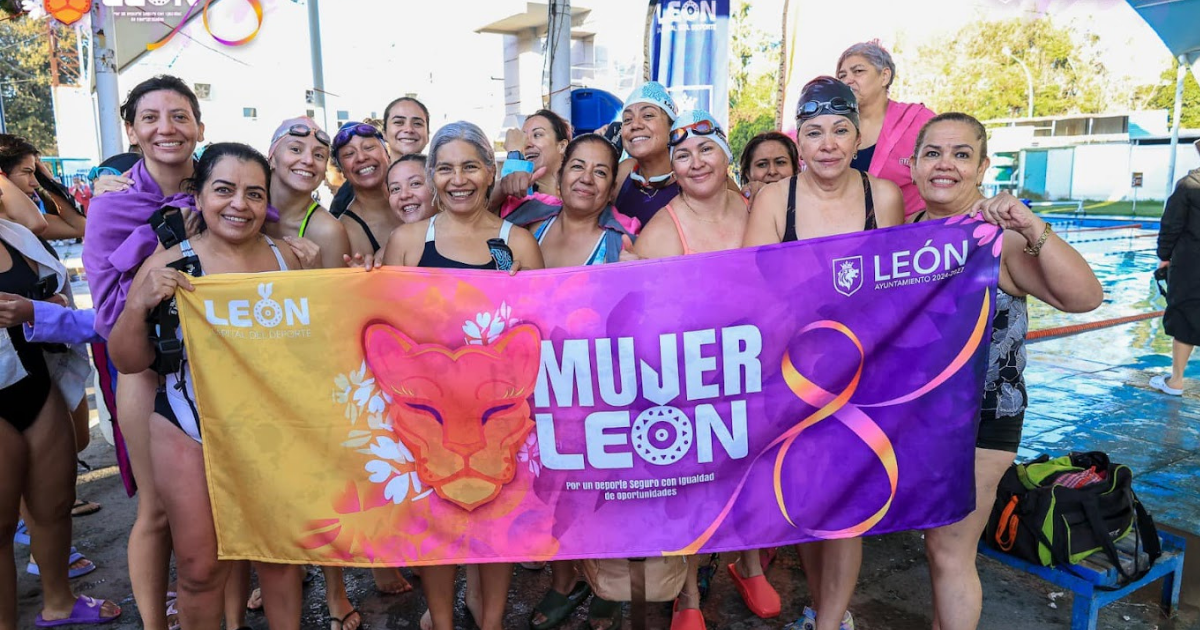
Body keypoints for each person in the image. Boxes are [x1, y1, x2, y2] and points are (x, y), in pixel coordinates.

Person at [907, 112, 1101, 630]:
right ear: (914, 164)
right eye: (933, 153)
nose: (945, 164)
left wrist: (1033, 227)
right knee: (935, 545)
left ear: (982, 166)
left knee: (951, 549)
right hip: (919, 417)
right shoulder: (905, 237)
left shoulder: (1001, 238)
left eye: (961, 154)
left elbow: (1085, 298)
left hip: (982, 418)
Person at [109, 143, 312, 630]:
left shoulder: (290, 260)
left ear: (267, 204)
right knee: (200, 570)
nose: (239, 204)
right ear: (197, 196)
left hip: (274, 429)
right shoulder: (170, 262)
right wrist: (139, 304)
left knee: (281, 563)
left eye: (254, 194)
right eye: (224, 190)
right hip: (187, 420)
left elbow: (321, 344)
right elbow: (127, 358)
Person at [745, 77, 905, 630]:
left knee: (848, 509)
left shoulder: (881, 196)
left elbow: (898, 292)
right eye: (814, 132)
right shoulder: (774, 198)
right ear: (800, 140)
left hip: (864, 376)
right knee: (806, 505)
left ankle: (832, 621)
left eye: (840, 130)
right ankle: (824, 609)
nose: (828, 144)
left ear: (858, 136)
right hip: (796, 378)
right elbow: (748, 290)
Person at [383, 121, 543, 630]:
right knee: (437, 526)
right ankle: (443, 621)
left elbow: (539, 332)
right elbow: (385, 325)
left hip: (497, 418)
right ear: (430, 176)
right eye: (445, 168)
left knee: (496, 526)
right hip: (431, 421)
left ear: (490, 172)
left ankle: (491, 621)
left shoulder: (515, 243)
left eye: (470, 166)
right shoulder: (408, 241)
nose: (459, 179)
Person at [82, 75, 207, 630]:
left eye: (179, 116)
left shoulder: (219, 191)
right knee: (156, 511)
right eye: (151, 118)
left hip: (214, 369)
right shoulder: (111, 210)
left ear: (200, 127)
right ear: (132, 130)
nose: (167, 128)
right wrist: (163, 249)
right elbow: (110, 319)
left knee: (219, 504)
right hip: (145, 368)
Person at [631, 110, 754, 630]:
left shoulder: (760, 211)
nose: (695, 161)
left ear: (727, 157)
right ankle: (686, 596)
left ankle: (748, 562)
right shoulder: (664, 228)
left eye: (706, 149)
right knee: (689, 487)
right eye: (682, 155)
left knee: (754, 479)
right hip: (693, 376)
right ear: (672, 168)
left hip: (754, 366)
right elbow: (650, 322)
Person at [506, 134, 630, 630]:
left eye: (601, 172)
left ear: (610, 189)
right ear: (559, 175)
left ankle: (605, 587)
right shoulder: (522, 227)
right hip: (531, 388)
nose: (587, 178)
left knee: (594, 495)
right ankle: (564, 582)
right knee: (547, 492)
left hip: (594, 393)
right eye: (578, 167)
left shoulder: (622, 243)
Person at [1, 215, 121, 628]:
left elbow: (56, 295)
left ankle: (59, 602)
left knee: (53, 504)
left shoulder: (15, 235)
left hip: (37, 381)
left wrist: (47, 309)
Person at [836, 40, 936, 218]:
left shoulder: (919, 120)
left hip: (910, 235)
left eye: (858, 71)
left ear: (885, 76)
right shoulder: (833, 125)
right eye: (842, 76)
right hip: (845, 235)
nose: (847, 80)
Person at [261, 117, 351, 269]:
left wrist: (314, 275)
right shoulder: (244, 211)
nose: (309, 160)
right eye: (296, 149)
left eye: (319, 155)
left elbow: (336, 292)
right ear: (272, 158)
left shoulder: (328, 232)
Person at [1152, 138, 1200, 396]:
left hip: (1191, 264)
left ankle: (1177, 381)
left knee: (1185, 317)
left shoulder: (1188, 186)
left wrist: (1164, 256)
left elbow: (1171, 225)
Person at [330, 97, 431, 217]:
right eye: (398, 122)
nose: (408, 129)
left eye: (418, 123)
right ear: (385, 133)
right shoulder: (353, 190)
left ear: (428, 133)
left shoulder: (441, 176)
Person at [613, 82, 681, 231]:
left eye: (648, 115)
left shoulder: (696, 175)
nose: (635, 125)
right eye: (627, 119)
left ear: (673, 128)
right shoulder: (624, 172)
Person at [0, 135, 86, 241]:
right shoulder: (30, 221)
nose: (35, 183)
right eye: (27, 172)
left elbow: (80, 227)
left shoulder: (20, 220)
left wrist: (48, 181)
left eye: (35, 174)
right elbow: (36, 223)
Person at [332, 122, 398, 258]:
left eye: (368, 147)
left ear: (387, 153)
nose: (361, 157)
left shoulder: (415, 200)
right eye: (349, 154)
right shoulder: (347, 231)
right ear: (342, 170)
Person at [491, 109, 571, 217]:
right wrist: (515, 153)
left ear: (562, 146)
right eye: (522, 138)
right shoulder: (502, 191)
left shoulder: (577, 188)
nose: (527, 144)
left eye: (537, 135)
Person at [738, 131, 799, 203]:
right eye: (762, 164)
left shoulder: (811, 202)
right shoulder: (739, 207)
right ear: (747, 173)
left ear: (794, 169)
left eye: (780, 162)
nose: (772, 171)